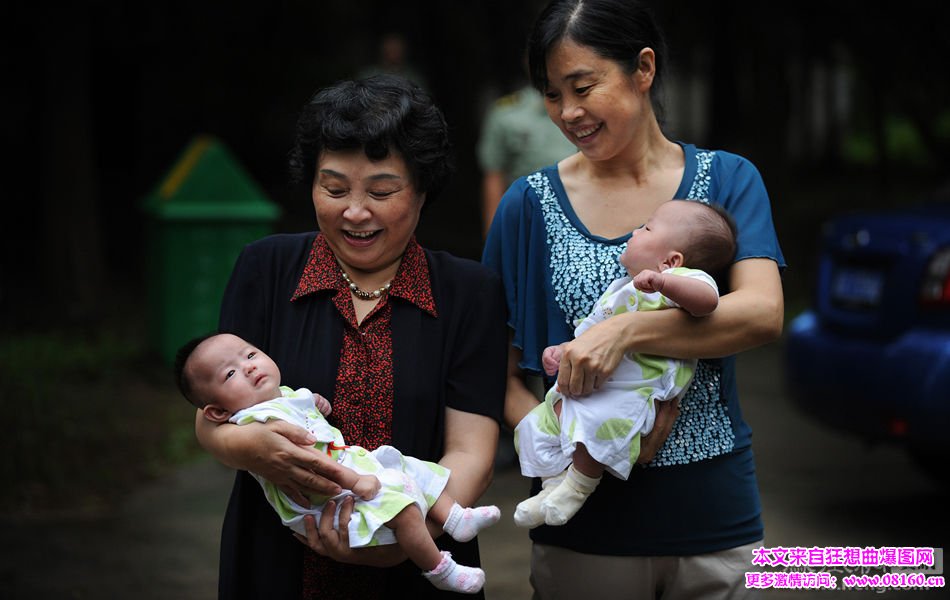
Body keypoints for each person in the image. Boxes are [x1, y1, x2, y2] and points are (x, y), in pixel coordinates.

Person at [482, 0, 785, 598]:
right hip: (585, 529)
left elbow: (762, 312)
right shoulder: (528, 205)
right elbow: (490, 366)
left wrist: (623, 331)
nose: (568, 113)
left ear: (643, 69)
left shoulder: (726, 180)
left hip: (711, 517)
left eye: (583, 86)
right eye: (551, 94)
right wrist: (572, 447)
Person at [194, 75, 508, 599]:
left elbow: (470, 451)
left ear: (423, 189)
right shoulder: (266, 269)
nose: (354, 211)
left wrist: (402, 540)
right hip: (278, 559)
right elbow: (212, 417)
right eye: (334, 188)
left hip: (421, 567)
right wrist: (249, 445)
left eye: (381, 191)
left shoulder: (468, 291)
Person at [177, 332, 500, 594]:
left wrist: (315, 403)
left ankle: (454, 517)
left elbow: (302, 407)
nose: (247, 367)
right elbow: (311, 461)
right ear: (218, 412)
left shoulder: (280, 395)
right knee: (401, 509)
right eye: (230, 373)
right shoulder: (255, 421)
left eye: (250, 355)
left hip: (352, 468)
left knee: (409, 466)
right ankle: (439, 568)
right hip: (327, 492)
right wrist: (354, 480)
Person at [514, 200, 736, 529]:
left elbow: (708, 302)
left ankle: (577, 487)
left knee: (597, 428)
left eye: (646, 228)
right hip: (592, 387)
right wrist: (563, 351)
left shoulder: (681, 280)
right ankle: (552, 486)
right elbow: (590, 335)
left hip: (634, 390)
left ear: (671, 259)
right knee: (536, 425)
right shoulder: (618, 290)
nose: (634, 232)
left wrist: (665, 282)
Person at [477, 80, 577, 236]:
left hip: (579, 215)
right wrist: (493, 235)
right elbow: (494, 175)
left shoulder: (586, 107)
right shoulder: (508, 111)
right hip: (526, 219)